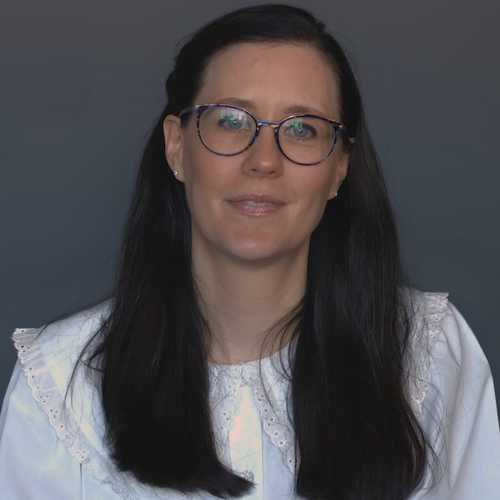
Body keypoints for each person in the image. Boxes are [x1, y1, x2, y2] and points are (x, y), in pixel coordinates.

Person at [1, 4, 499, 499]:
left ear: (340, 168)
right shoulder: (61, 385)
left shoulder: (428, 358)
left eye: (302, 128)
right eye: (231, 121)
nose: (264, 161)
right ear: (176, 148)